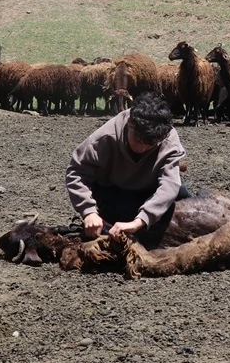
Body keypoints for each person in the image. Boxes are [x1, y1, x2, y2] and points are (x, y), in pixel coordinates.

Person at [65, 92, 189, 248]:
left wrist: (140, 221)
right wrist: (88, 211)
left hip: (150, 190)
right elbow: (76, 171)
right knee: (120, 213)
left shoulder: (167, 138)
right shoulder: (105, 137)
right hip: (116, 191)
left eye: (150, 144)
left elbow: (169, 185)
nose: (142, 148)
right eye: (138, 140)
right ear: (130, 122)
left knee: (183, 199)